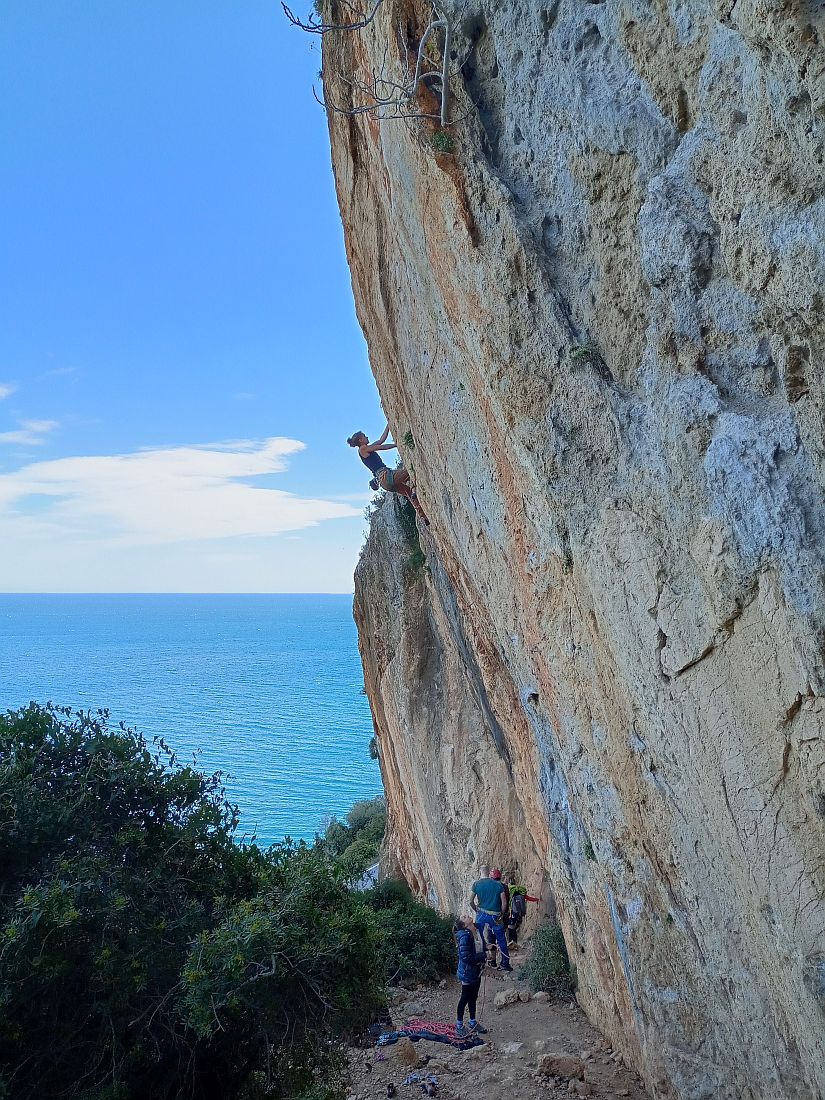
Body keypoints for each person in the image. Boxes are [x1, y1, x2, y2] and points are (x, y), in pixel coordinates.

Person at [347, 426, 429, 524]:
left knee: (408, 492)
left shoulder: (367, 449)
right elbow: (381, 447)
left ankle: (423, 517)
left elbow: (381, 440)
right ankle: (414, 490)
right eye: (364, 436)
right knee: (410, 471)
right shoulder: (363, 449)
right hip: (386, 475)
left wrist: (388, 426)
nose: (367, 437)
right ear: (360, 440)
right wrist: (396, 445)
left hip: (384, 483)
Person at [470, 866, 512, 972]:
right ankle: (505, 964)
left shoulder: (476, 884)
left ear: (481, 872)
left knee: (479, 938)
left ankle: (482, 961)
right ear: (489, 873)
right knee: (502, 940)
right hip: (495, 915)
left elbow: (470, 901)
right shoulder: (498, 885)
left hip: (481, 914)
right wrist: (501, 915)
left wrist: (477, 910)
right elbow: (504, 903)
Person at [453, 916, 488, 1036]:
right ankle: (459, 1026)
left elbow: (477, 947)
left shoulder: (476, 930)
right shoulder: (464, 936)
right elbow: (466, 957)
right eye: (464, 917)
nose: (466, 915)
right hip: (468, 972)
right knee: (465, 998)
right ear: (464, 925)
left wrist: (487, 948)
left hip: (476, 970)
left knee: (473, 997)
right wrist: (485, 955)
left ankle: (472, 1022)